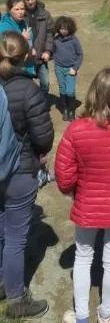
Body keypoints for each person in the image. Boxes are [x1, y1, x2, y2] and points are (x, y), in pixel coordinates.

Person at [55, 68, 110, 323]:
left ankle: (82, 315)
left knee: (83, 256)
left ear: (93, 93)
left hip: (86, 204)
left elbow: (64, 173)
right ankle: (105, 314)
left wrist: (71, 189)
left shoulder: (77, 129)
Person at [0, 31, 54, 319]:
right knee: (16, 237)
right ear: (24, 57)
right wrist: (39, 154)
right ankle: (17, 298)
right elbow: (43, 136)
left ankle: (2, 281)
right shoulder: (29, 89)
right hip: (20, 168)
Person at [22, 0, 54, 95]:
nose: (30, 2)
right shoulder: (20, 15)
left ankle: (43, 105)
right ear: (23, 1)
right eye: (27, 0)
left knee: (45, 83)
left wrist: (48, 51)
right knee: (27, 86)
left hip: (41, 56)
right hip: (25, 58)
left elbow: (50, 33)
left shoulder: (45, 14)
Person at [53, 16, 83, 121]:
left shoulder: (74, 40)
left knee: (70, 91)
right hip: (59, 68)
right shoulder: (55, 40)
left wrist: (75, 68)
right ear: (58, 28)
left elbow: (80, 54)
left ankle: (71, 110)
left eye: (66, 28)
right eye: (61, 28)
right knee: (62, 90)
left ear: (70, 28)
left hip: (71, 69)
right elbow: (52, 52)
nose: (63, 31)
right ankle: (65, 110)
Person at [0, 0, 35, 77]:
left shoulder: (23, 23)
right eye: (17, 9)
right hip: (11, 72)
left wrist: (30, 49)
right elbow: (5, 51)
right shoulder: (4, 27)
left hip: (26, 67)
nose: (20, 12)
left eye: (22, 9)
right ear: (9, 10)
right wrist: (22, 39)